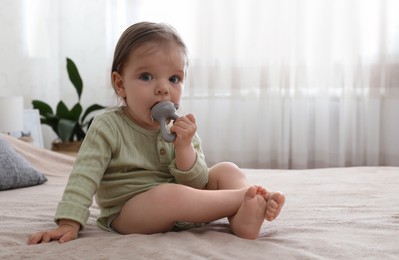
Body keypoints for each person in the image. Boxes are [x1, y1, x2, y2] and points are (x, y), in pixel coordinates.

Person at [28, 22, 285, 244]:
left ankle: (245, 217)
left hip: (184, 207)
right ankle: (244, 197)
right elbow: (84, 176)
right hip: (129, 213)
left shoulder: (182, 127)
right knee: (168, 195)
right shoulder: (108, 126)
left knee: (227, 169)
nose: (163, 89)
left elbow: (197, 184)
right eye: (147, 76)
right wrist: (68, 222)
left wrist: (184, 147)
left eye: (174, 79)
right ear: (121, 84)